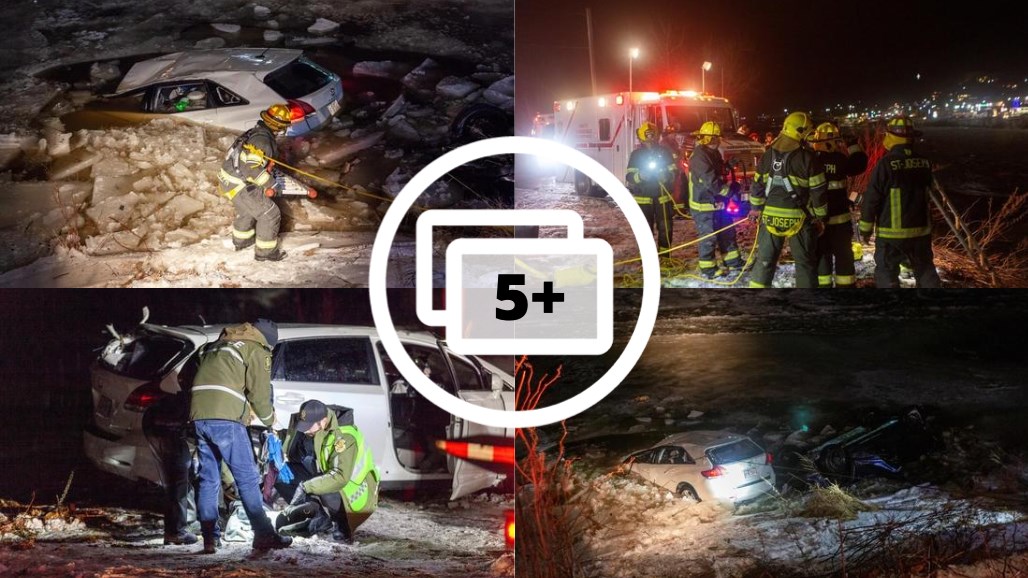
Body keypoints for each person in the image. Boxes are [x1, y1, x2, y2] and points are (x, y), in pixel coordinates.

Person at [189, 319, 292, 554]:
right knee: (247, 478)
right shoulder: (256, 349)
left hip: (199, 415)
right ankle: (264, 534)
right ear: (268, 341)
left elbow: (189, 376)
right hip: (226, 418)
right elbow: (260, 394)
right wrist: (270, 420)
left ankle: (209, 538)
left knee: (209, 479)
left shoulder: (214, 345)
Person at [275, 400, 380, 544]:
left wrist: (306, 486)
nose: (305, 431)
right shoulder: (312, 430)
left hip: (354, 491)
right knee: (281, 476)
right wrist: (275, 437)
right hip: (327, 475)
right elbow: (295, 449)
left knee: (328, 489)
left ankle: (343, 527)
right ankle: (318, 517)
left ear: (323, 422)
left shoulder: (344, 437)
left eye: (308, 427)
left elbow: (340, 477)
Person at [748, 112, 829, 288]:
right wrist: (821, 217)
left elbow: (757, 186)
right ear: (802, 132)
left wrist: (755, 209)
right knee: (805, 264)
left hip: (769, 219)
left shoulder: (767, 155)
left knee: (764, 261)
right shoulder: (808, 158)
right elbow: (819, 192)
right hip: (798, 220)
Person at [858, 117, 941, 288]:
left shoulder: (885, 164)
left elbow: (872, 199)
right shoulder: (925, 163)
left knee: (887, 272)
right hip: (920, 232)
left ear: (891, 136)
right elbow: (929, 193)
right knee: (925, 268)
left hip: (891, 235)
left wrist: (865, 229)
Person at [217, 104, 294, 262]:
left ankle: (242, 241)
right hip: (240, 184)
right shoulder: (263, 141)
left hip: (228, 178)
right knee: (270, 214)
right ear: (279, 126)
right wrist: (271, 184)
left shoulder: (255, 132)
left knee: (248, 211)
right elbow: (251, 169)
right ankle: (265, 253)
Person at [807, 122, 869, 287]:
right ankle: (846, 287)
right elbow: (859, 164)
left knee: (821, 255)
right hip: (840, 220)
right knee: (844, 256)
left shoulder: (810, 160)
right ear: (833, 142)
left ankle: (823, 287)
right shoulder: (840, 159)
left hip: (817, 221)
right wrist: (852, 144)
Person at [687, 121, 743, 278]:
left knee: (727, 232)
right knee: (709, 237)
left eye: (716, 138)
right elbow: (710, 181)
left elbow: (718, 172)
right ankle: (708, 268)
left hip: (717, 203)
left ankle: (733, 262)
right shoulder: (699, 156)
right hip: (704, 205)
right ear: (704, 138)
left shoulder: (714, 153)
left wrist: (728, 166)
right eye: (711, 138)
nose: (714, 141)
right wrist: (729, 193)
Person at [142, 389, 196, 545]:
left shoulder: (174, 397)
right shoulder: (186, 400)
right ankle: (177, 532)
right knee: (178, 484)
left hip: (158, 431)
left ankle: (173, 531)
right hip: (171, 435)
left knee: (173, 485)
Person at [625, 121, 677, 255]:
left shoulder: (664, 152)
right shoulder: (636, 155)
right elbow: (629, 176)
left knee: (665, 228)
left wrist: (666, 176)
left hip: (662, 198)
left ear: (656, 137)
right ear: (642, 139)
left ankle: (665, 257)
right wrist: (640, 176)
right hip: (643, 199)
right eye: (647, 140)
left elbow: (674, 171)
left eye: (652, 140)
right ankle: (648, 258)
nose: (650, 143)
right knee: (645, 231)